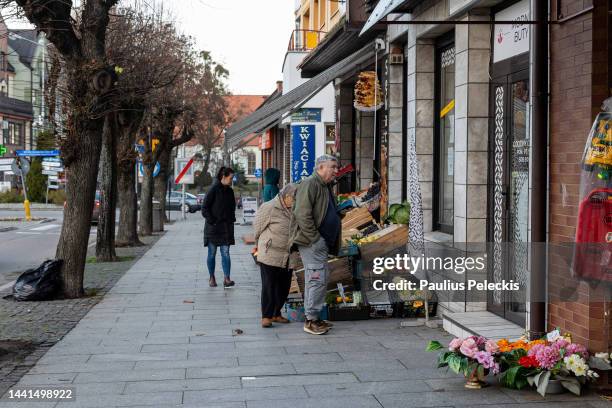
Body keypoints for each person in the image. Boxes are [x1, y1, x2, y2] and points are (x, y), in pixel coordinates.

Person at [290, 155, 341, 335]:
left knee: (319, 278)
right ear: (320, 167)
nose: (336, 170)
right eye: (333, 167)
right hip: (311, 243)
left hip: (319, 242)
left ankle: (315, 317)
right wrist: (315, 239)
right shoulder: (310, 184)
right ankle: (311, 320)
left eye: (336, 167)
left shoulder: (324, 186)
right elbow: (302, 214)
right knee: (316, 279)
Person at [253, 184, 300, 328]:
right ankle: (266, 316)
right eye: (295, 198)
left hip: (288, 254)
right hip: (270, 252)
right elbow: (257, 227)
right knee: (269, 286)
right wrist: (260, 244)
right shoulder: (269, 207)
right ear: (286, 197)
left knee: (284, 287)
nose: (297, 201)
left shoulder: (296, 209)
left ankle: (276, 313)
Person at [202, 167, 236, 288]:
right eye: (230, 178)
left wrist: (231, 219)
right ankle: (212, 277)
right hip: (213, 228)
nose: (232, 180)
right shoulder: (213, 190)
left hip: (226, 228)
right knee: (212, 253)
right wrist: (213, 221)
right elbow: (204, 208)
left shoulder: (230, 191)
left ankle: (227, 278)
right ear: (224, 177)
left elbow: (232, 207)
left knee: (226, 253)